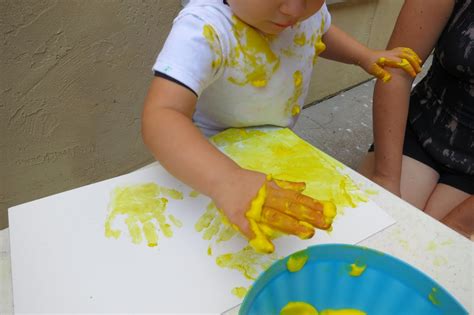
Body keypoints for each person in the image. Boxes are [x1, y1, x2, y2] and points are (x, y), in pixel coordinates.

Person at [142, 0, 421, 252]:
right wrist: (225, 180)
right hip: (208, 165)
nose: (294, 12)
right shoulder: (204, 29)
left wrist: (363, 55)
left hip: (273, 148)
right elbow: (162, 114)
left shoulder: (301, 13)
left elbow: (320, 30)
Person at [359, 0, 473, 238]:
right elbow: (397, 70)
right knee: (371, 231)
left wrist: (459, 224)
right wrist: (386, 179)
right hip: (425, 126)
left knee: (434, 255)